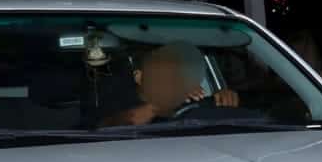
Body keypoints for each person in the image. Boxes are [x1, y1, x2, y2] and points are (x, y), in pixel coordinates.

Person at [99, 42, 239, 126]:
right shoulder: (118, 101)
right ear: (139, 77)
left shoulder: (187, 99)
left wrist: (221, 99)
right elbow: (106, 126)